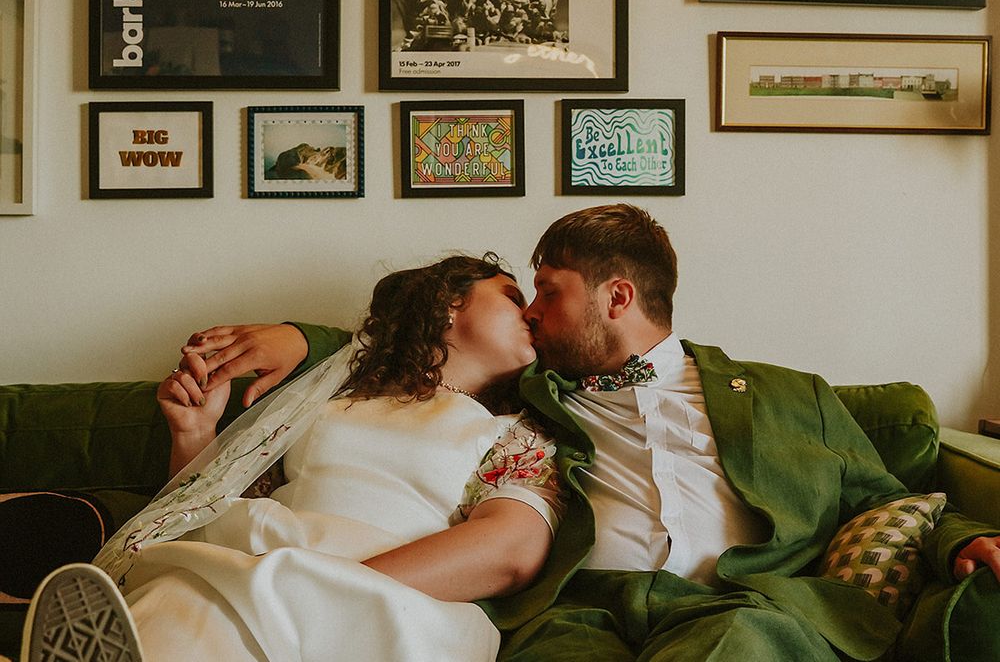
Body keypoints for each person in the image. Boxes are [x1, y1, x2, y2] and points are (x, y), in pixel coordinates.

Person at [167, 205, 1000, 661]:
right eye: (522, 296)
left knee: (739, 644)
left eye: (549, 292)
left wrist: (968, 538)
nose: (530, 311)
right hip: (579, 616)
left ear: (618, 298)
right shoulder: (528, 388)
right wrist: (291, 338)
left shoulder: (794, 396)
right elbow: (403, 351)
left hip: (742, 604)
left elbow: (896, 495)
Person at [22, 256, 563, 662]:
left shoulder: (513, 434)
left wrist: (321, 583)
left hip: (394, 590)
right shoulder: (326, 403)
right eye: (514, 296)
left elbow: (510, 551)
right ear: (452, 301)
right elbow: (208, 507)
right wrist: (195, 431)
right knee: (189, 592)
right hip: (269, 549)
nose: (533, 313)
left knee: (260, 604)